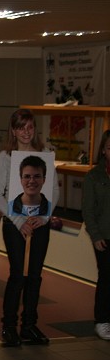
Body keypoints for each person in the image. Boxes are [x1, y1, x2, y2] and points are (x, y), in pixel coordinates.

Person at [0, 109, 59, 347]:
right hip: (14, 225)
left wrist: (45, 216)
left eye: (30, 127)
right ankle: (9, 326)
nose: (26, 132)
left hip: (39, 224)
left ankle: (29, 325)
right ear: (13, 130)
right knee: (18, 275)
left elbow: (54, 189)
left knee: (35, 276)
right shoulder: (6, 157)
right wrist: (19, 221)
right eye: (21, 128)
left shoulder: (45, 154)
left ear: (35, 129)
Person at [82, 129, 110, 340]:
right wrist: (95, 235)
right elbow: (88, 210)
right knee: (106, 277)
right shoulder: (94, 176)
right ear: (103, 150)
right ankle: (102, 320)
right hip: (104, 236)